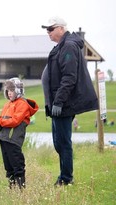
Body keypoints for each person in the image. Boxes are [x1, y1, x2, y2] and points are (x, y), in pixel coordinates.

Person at [41, 17, 99, 186]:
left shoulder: (68, 46)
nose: (48, 33)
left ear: (60, 28)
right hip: (57, 104)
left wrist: (58, 102)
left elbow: (69, 77)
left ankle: (66, 179)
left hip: (64, 104)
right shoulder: (61, 46)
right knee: (58, 142)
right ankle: (64, 176)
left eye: (50, 29)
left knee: (63, 142)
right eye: (47, 30)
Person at [0, 77, 39, 190]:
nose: (9, 93)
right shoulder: (7, 104)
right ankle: (12, 190)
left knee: (17, 165)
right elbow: (3, 121)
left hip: (13, 140)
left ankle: (21, 191)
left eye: (12, 90)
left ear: (18, 91)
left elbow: (14, 121)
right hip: (4, 139)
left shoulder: (22, 104)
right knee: (8, 167)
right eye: (8, 90)